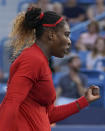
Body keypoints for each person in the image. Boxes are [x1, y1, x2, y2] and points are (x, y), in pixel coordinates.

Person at [0, 7, 100, 131]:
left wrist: (84, 101)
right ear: (51, 35)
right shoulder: (32, 59)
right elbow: (11, 103)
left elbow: (48, 115)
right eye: (66, 34)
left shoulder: (40, 60)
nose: (69, 41)